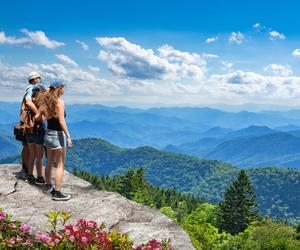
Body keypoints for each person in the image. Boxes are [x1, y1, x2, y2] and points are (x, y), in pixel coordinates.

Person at [38, 80, 72, 201]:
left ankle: (48, 185)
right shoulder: (60, 102)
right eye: (63, 87)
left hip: (48, 134)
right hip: (58, 135)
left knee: (49, 162)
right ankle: (57, 193)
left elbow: (39, 117)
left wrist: (48, 115)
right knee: (60, 165)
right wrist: (68, 137)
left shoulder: (47, 102)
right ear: (59, 88)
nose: (64, 90)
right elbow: (62, 121)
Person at [23, 72, 45, 185]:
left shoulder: (27, 90)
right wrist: (39, 115)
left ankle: (30, 175)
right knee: (39, 156)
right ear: (35, 79)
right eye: (39, 78)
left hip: (28, 127)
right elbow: (28, 102)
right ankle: (40, 177)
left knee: (32, 154)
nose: (40, 80)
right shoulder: (32, 89)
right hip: (37, 127)